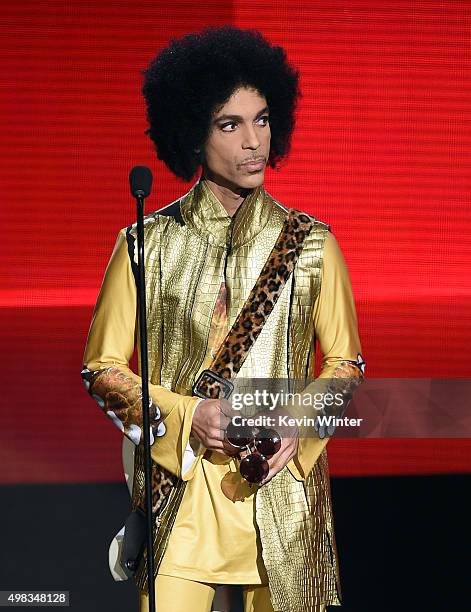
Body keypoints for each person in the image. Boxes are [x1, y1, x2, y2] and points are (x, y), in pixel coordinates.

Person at [81, 25, 365, 612]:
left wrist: (298, 422)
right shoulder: (144, 245)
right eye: (229, 124)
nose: (253, 141)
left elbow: (347, 367)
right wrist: (190, 416)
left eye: (262, 119)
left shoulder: (311, 245)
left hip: (283, 495)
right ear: (192, 134)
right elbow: (101, 370)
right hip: (180, 502)